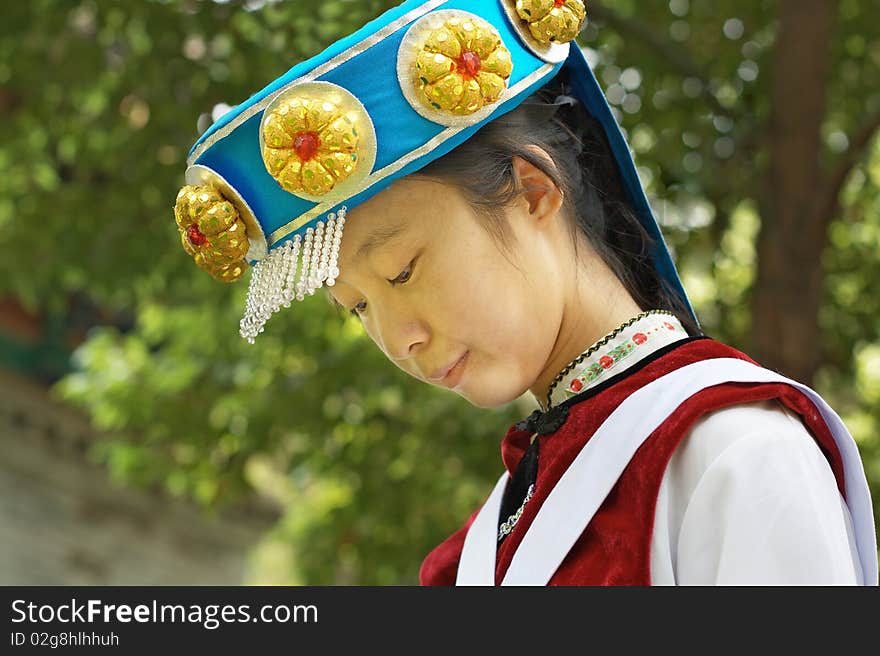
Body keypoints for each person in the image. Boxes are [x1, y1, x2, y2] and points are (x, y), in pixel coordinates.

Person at [173, 0, 878, 585]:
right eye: (358, 308)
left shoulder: (734, 454)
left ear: (533, 190)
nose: (397, 339)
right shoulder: (482, 543)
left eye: (401, 272)